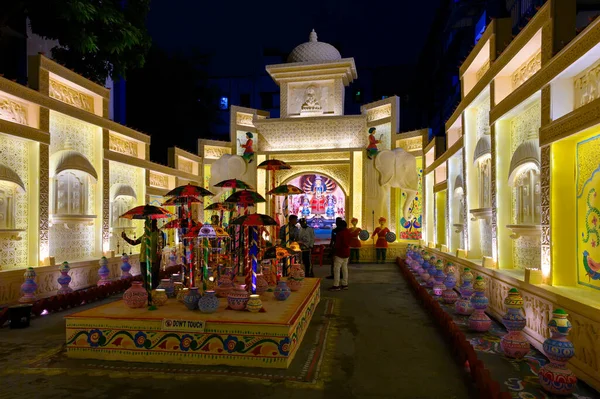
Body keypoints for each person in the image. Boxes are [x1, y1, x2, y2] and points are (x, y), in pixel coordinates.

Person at [122, 220, 165, 289]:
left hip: (153, 261)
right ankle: (146, 295)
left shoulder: (159, 234)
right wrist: (125, 238)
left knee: (153, 280)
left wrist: (158, 260)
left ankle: (153, 296)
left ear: (152, 225)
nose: (144, 227)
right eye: (145, 225)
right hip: (143, 259)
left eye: (146, 225)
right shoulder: (145, 235)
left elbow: (161, 247)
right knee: (145, 280)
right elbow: (134, 242)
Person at [330, 219, 350, 291]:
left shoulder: (340, 233)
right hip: (347, 252)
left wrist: (334, 251)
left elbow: (337, 245)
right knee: (345, 268)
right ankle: (345, 284)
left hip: (340, 253)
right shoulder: (348, 232)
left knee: (336, 269)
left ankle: (336, 285)